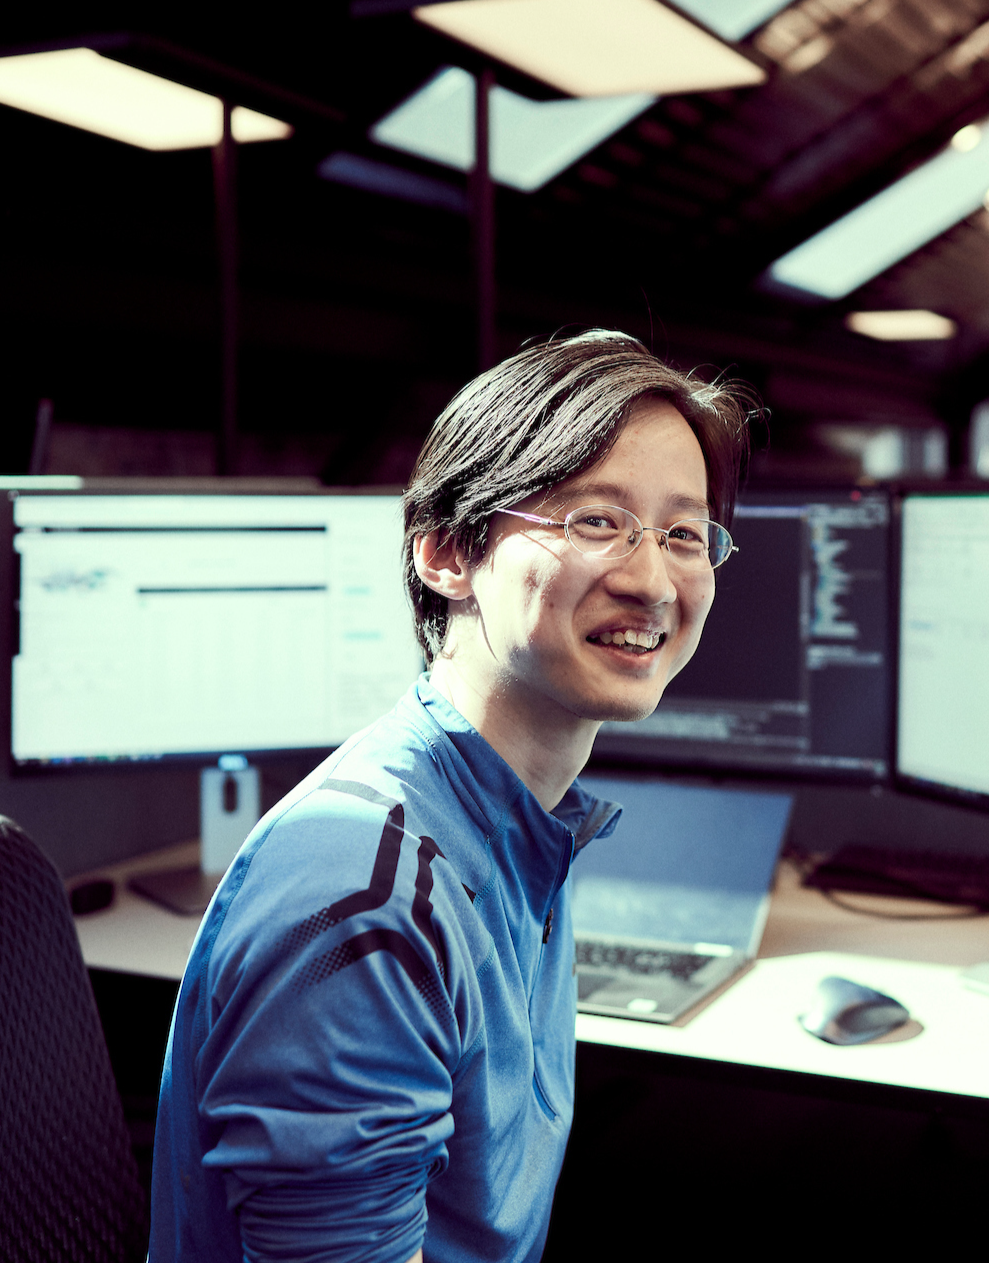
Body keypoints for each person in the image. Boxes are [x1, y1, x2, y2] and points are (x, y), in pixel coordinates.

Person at [148, 331, 750, 1263]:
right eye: (596, 520)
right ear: (445, 555)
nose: (651, 579)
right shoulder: (363, 898)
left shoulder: (515, 821)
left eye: (682, 534)